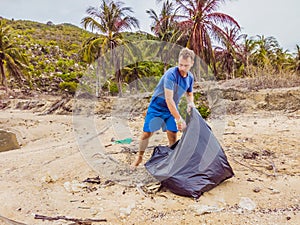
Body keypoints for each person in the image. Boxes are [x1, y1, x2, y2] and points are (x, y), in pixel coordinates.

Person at [131, 47, 196, 168]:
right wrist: (179, 119)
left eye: (186, 66)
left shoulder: (190, 77)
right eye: (180, 64)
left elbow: (189, 93)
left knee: (172, 134)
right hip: (157, 107)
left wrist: (190, 103)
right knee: (147, 134)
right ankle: (139, 157)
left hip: (171, 109)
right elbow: (169, 99)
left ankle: (173, 160)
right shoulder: (170, 75)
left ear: (192, 63)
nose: (182, 68)